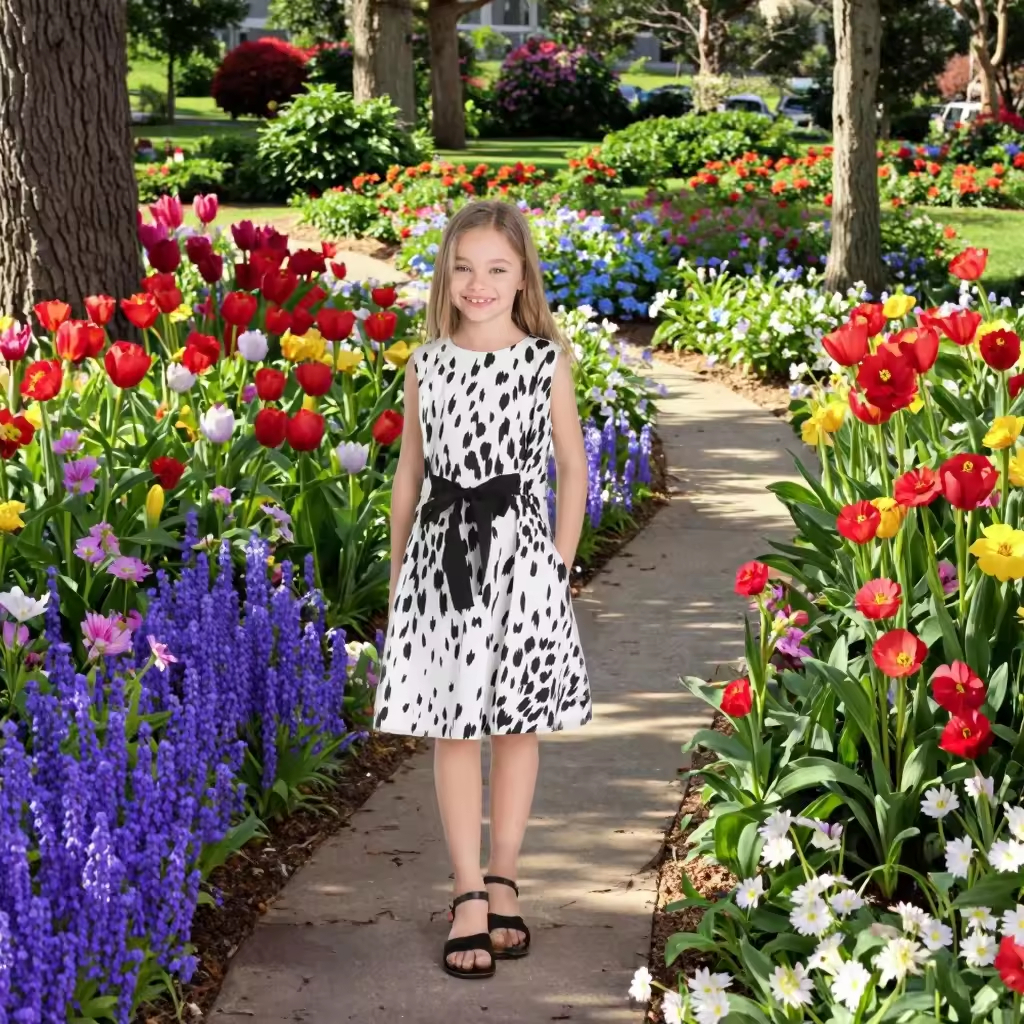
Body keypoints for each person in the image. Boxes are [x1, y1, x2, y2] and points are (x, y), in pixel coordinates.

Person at [373, 200, 592, 980]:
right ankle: (466, 891)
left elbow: (574, 468)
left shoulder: (544, 362)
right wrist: (399, 576)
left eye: (497, 268)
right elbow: (409, 476)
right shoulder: (426, 364)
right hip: (442, 564)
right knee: (454, 726)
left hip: (521, 563)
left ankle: (503, 878)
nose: (479, 283)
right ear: (446, 274)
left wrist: (559, 565)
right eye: (464, 267)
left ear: (523, 276)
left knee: (516, 724)